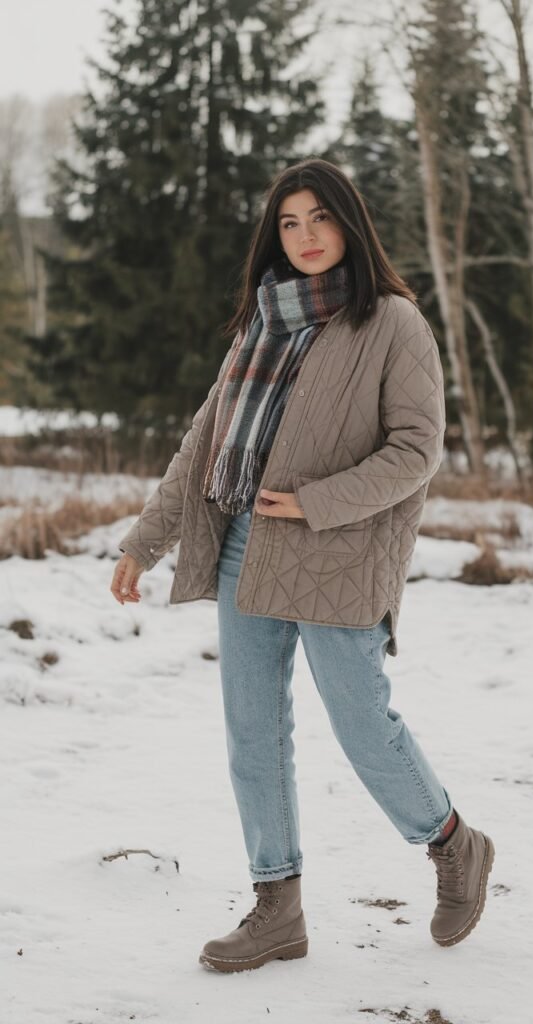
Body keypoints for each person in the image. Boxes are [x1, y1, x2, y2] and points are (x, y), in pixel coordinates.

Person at [111, 158, 494, 973]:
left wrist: (321, 500)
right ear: (274, 237)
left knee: (362, 723)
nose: (307, 236)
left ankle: (454, 844)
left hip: (340, 552)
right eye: (289, 223)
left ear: (349, 223)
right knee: (253, 729)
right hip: (245, 546)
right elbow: (205, 441)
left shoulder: (394, 322)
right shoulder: (262, 321)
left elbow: (417, 450)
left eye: (320, 218)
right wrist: (145, 541)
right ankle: (276, 907)